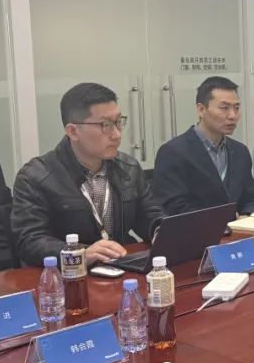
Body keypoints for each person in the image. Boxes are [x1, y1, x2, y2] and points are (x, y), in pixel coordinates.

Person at [12, 82, 164, 268]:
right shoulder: (36, 177)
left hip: (120, 268)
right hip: (68, 276)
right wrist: (80, 254)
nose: (117, 135)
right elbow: (29, 241)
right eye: (106, 125)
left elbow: (149, 215)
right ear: (73, 131)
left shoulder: (128, 168)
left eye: (118, 122)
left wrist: (159, 232)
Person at [153, 76, 254, 216]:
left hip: (238, 228)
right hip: (195, 229)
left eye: (236, 108)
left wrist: (246, 217)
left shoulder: (240, 151)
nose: (232, 115)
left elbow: (252, 200)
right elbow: (175, 208)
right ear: (201, 109)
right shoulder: (173, 152)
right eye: (224, 108)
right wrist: (223, 221)